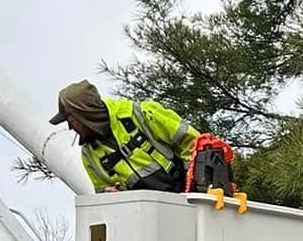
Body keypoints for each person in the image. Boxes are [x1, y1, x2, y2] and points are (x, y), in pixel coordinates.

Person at [49, 80, 199, 193]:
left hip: (188, 196)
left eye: (71, 120)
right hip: (147, 217)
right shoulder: (90, 155)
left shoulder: (140, 114)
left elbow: (194, 143)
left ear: (85, 114)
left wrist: (192, 185)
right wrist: (110, 196)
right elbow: (102, 197)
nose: (70, 127)